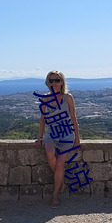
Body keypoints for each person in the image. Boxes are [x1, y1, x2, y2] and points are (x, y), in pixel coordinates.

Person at [35, 70, 81, 208]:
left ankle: (55, 193)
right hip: (51, 133)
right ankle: (60, 181)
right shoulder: (45, 98)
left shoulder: (68, 98)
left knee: (60, 164)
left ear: (62, 82)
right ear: (48, 83)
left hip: (67, 134)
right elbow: (42, 119)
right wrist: (40, 137)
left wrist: (77, 139)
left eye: (56, 80)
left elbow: (74, 118)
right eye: (51, 81)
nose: (54, 83)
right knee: (49, 153)